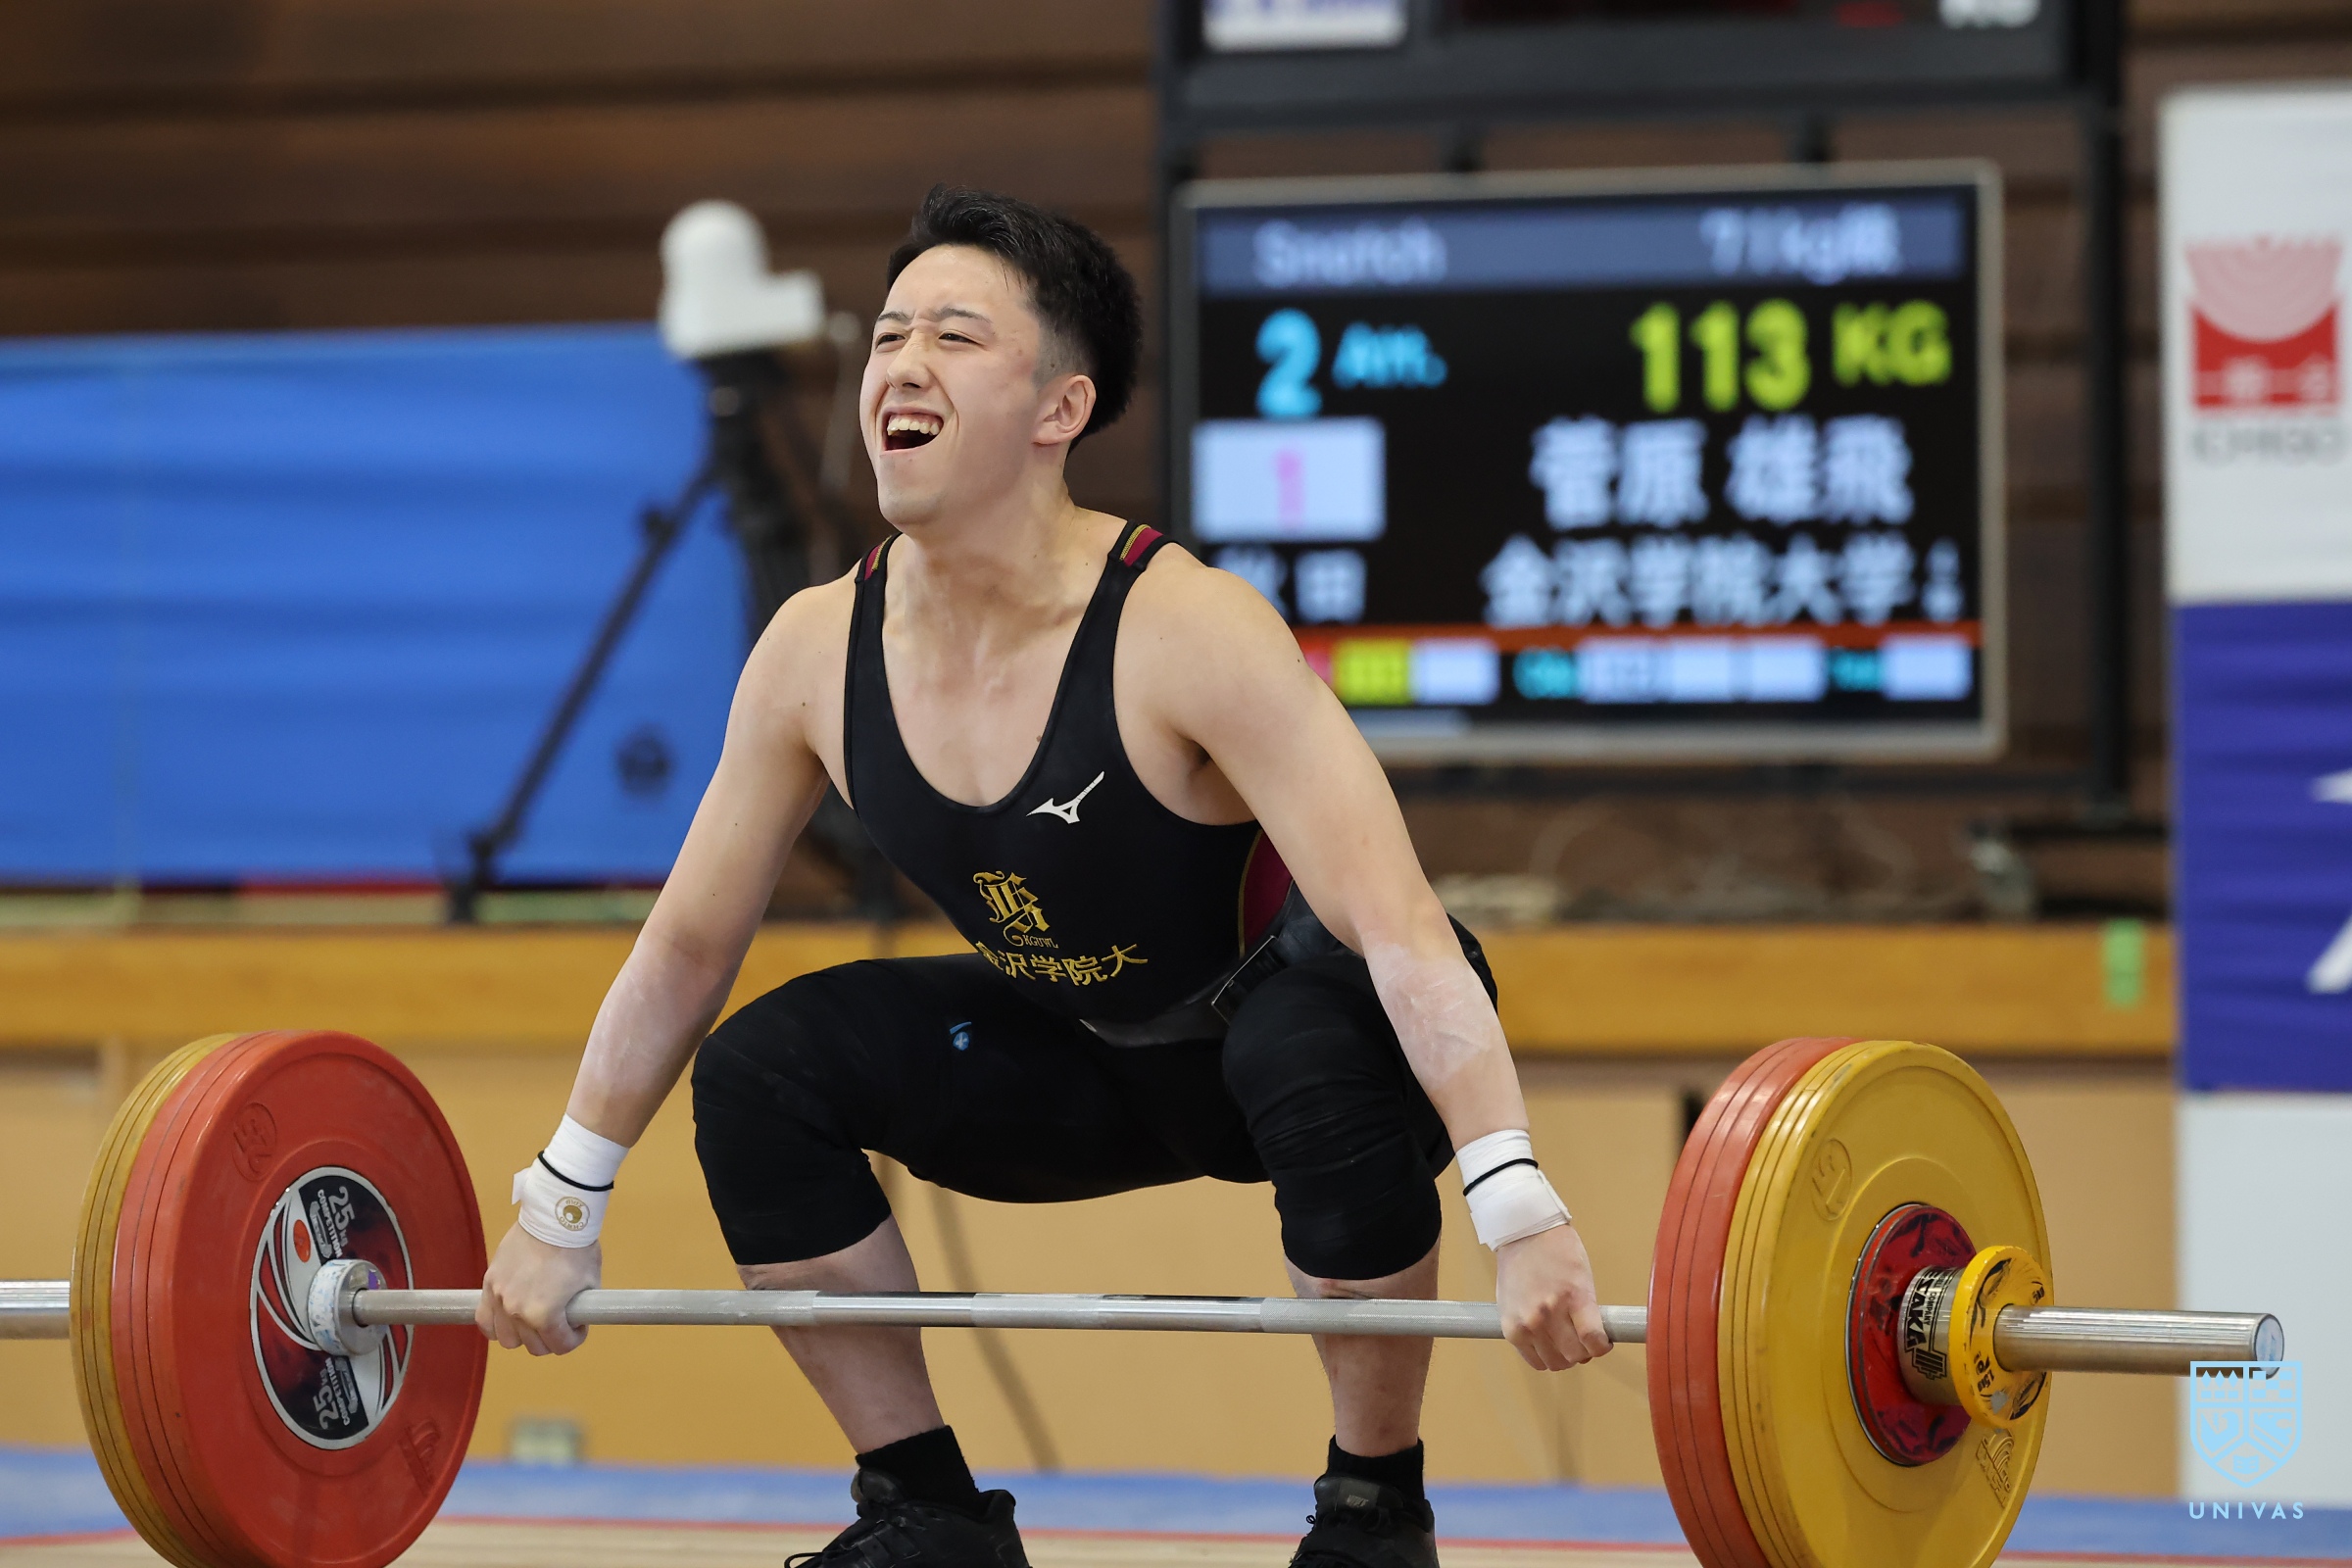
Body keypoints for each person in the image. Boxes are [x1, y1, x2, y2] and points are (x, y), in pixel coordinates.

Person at [477, 185, 1611, 1568]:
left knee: (1313, 1039)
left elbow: (1405, 931)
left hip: (1302, 1038)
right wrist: (560, 1205)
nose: (903, 365)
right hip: (1081, 1056)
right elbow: (683, 950)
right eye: (888, 334)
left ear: (1060, 409)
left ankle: (1374, 1511)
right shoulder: (812, 654)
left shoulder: (1186, 627)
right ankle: (927, 1513)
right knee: (765, 1072)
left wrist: (1519, 1206)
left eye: (955, 337)